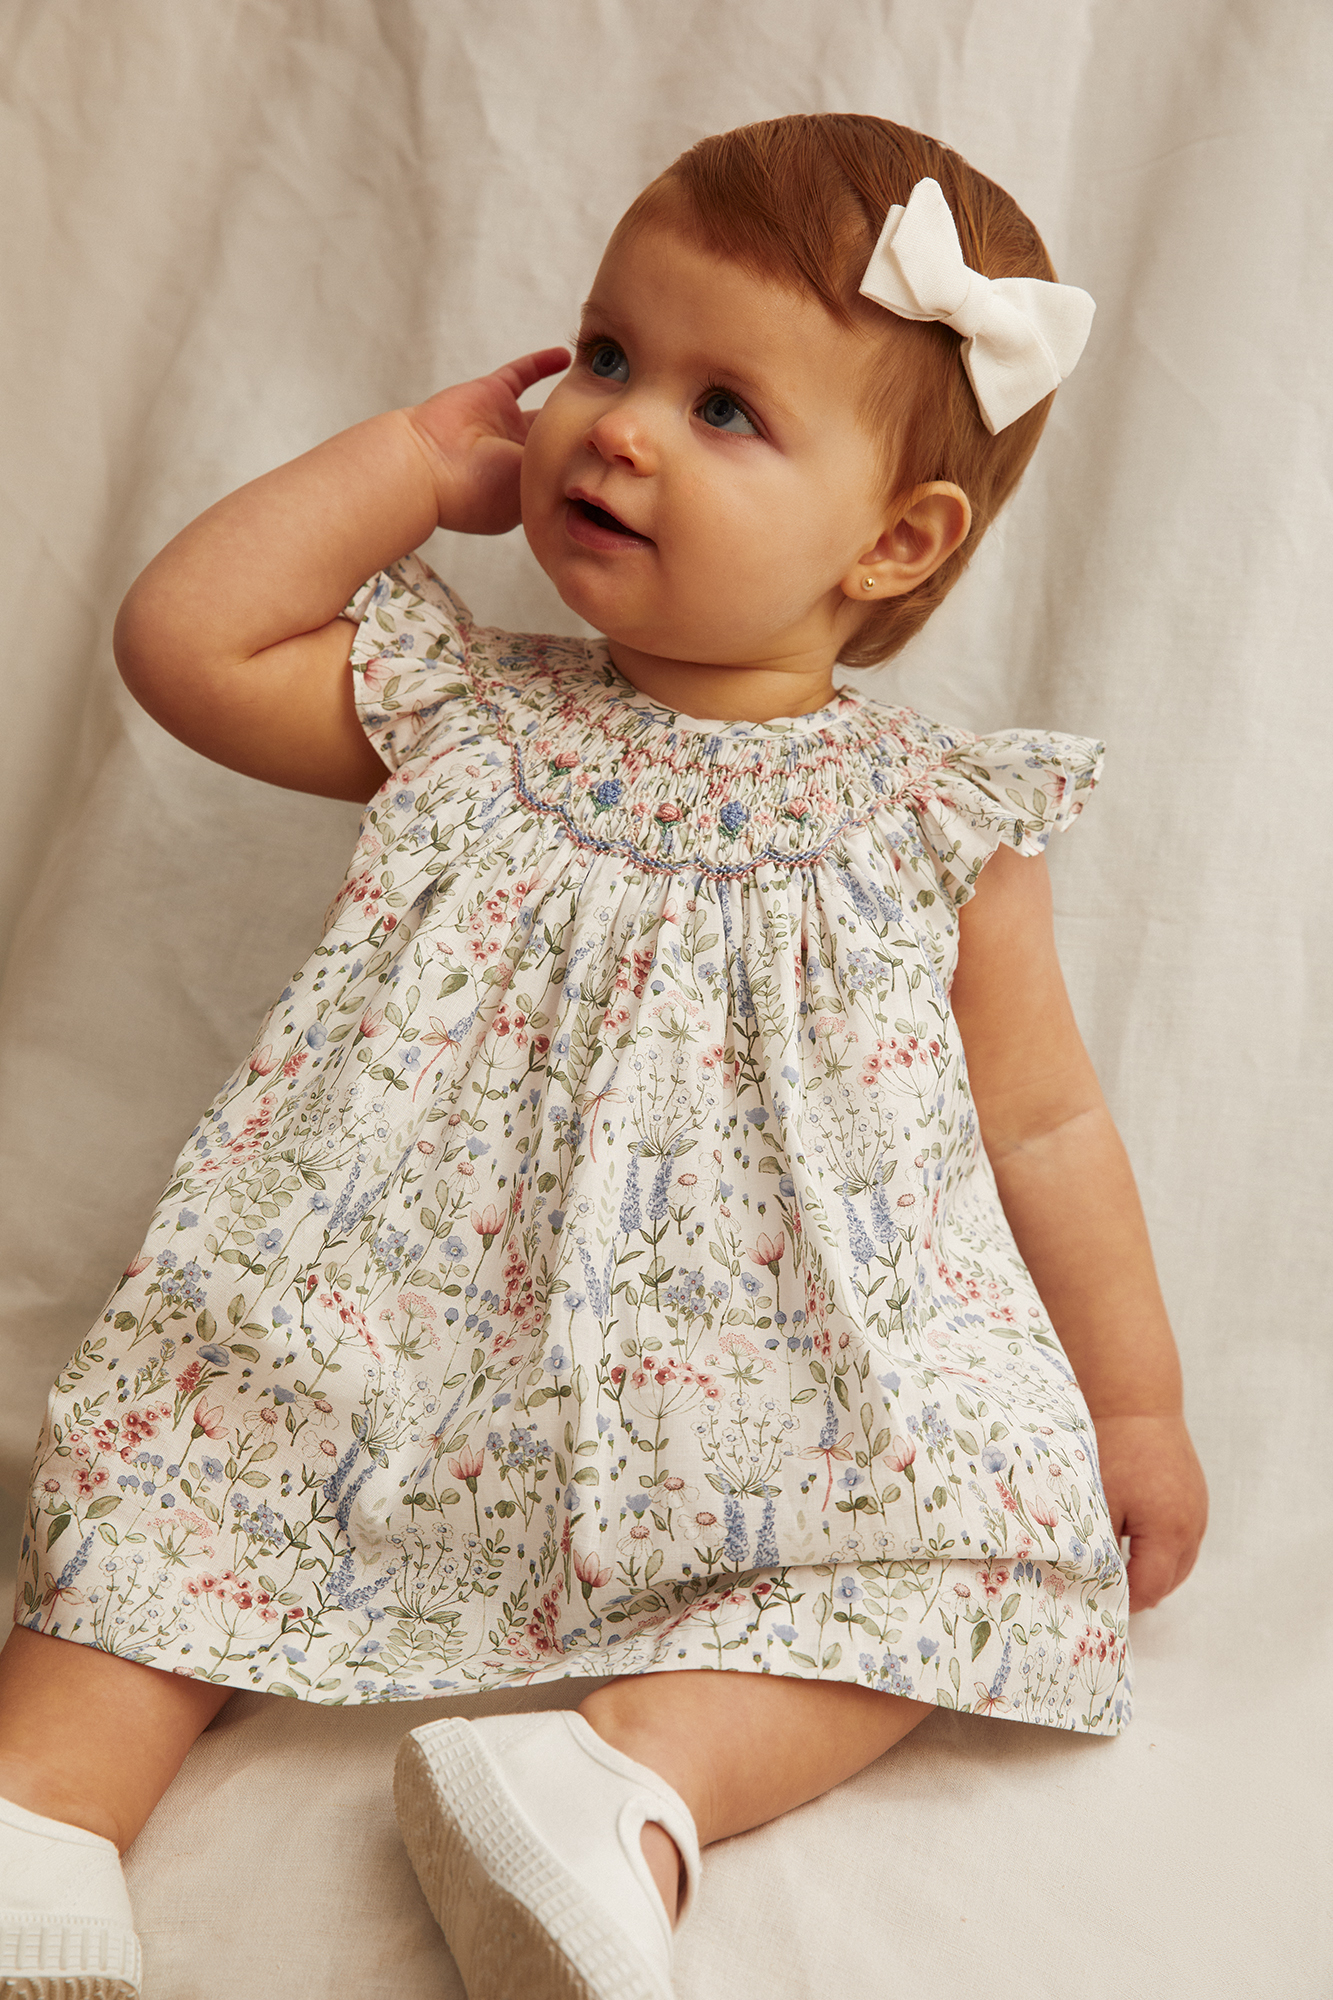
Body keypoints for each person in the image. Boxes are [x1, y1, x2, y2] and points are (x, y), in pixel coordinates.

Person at [0, 113, 1207, 2000]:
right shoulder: (463, 718)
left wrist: (1129, 1412)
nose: (618, 426)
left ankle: (616, 1787)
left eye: (724, 408)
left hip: (770, 1376)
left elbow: (1043, 1124)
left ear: (894, 539)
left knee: (989, 1552)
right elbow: (187, 642)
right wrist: (411, 466)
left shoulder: (935, 822)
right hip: (380, 1319)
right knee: (189, 1480)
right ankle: (38, 1813)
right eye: (609, 355)